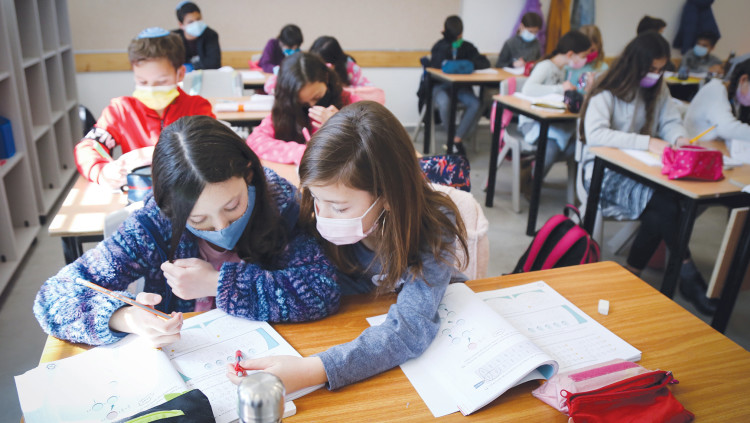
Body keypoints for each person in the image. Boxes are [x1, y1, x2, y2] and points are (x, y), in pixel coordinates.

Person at [226, 101, 468, 394]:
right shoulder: (309, 215)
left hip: (424, 356)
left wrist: (310, 371)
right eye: (317, 198)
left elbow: (410, 328)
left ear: (388, 196)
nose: (323, 217)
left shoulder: (433, 226)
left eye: (339, 208)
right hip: (345, 328)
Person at [35, 116, 341, 346]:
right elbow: (53, 297)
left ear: (248, 174)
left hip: (273, 354)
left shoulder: (281, 204)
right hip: (188, 360)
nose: (221, 226)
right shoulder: (154, 224)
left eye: (232, 205)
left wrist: (219, 284)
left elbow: (322, 289)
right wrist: (125, 316)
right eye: (198, 219)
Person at [578, 32, 717, 315]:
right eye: (651, 69)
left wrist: (679, 138)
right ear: (635, 64)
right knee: (665, 204)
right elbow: (595, 135)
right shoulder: (607, 89)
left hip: (640, 170)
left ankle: (633, 273)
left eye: (660, 69)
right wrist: (647, 142)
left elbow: (670, 120)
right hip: (602, 173)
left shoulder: (658, 87)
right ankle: (686, 273)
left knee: (667, 203)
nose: (656, 75)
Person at [74, 27, 215, 189]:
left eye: (161, 82)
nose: (151, 89)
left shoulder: (197, 108)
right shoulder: (121, 111)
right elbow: (87, 147)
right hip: (140, 193)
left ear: (180, 74)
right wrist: (102, 171)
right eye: (142, 82)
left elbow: (213, 150)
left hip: (186, 192)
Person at [246, 52, 360, 165]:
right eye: (303, 103)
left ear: (326, 77)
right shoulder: (287, 109)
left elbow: (368, 145)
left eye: (317, 97)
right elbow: (254, 141)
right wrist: (302, 152)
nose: (312, 105)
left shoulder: (351, 102)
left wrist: (342, 126)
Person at [519, 30, 591, 177]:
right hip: (532, 122)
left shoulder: (563, 69)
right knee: (551, 147)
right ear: (570, 54)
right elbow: (528, 89)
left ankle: (532, 166)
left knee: (577, 146)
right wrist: (561, 88)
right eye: (583, 56)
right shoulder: (545, 66)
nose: (585, 60)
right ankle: (531, 180)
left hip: (551, 121)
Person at [429, 15, 490, 156]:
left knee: (476, 103)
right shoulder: (439, 47)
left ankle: (456, 139)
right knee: (445, 103)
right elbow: (434, 65)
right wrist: (447, 45)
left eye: (459, 35)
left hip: (460, 88)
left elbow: (484, 62)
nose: (458, 39)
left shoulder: (467, 47)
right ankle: (454, 137)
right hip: (440, 87)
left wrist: (468, 64)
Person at [684, 58, 750, 142]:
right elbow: (727, 128)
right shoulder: (716, 89)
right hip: (696, 144)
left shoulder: (737, 100)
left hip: (715, 145)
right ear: (743, 80)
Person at [173, 1, 221, 70]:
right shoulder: (173, 39)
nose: (196, 24)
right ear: (181, 25)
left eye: (198, 19)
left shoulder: (211, 35)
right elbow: (173, 64)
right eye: (191, 22)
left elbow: (214, 64)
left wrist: (190, 66)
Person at [567, 25, 609, 93]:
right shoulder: (569, 66)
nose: (587, 54)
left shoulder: (603, 69)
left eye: (592, 50)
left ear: (599, 47)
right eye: (584, 49)